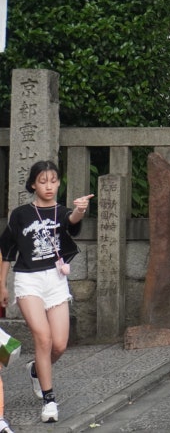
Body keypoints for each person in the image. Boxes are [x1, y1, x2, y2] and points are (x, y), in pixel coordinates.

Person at [0, 161, 92, 425]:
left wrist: (79, 211)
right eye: (43, 181)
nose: (49, 186)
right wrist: (2, 283)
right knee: (43, 337)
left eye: (53, 180)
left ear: (59, 183)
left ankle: (36, 370)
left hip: (55, 280)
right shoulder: (20, 215)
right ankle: (49, 400)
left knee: (60, 344)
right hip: (28, 280)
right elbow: (6, 250)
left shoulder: (61, 212)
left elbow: (72, 223)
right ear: (33, 184)